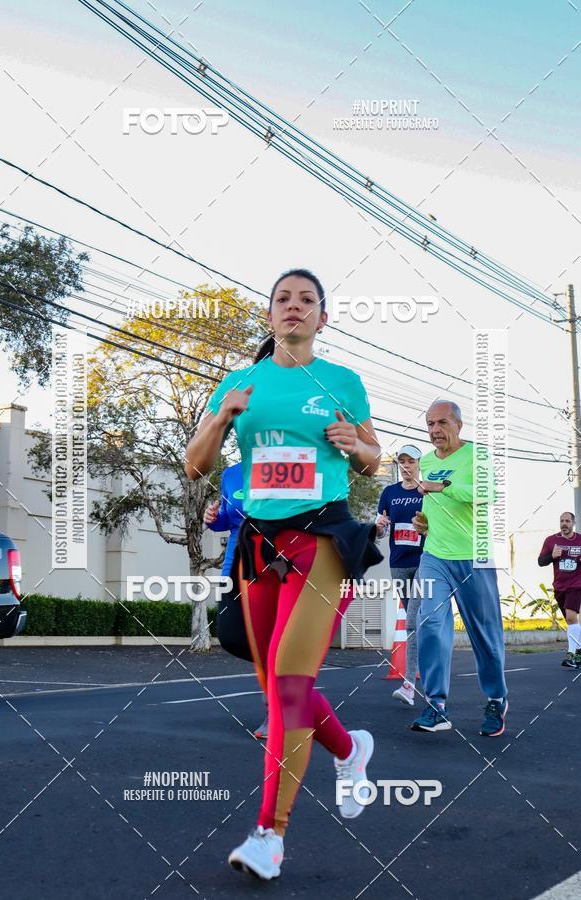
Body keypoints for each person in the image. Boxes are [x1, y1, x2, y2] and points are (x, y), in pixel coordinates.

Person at [185, 268, 382, 881]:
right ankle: (351, 750)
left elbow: (374, 458)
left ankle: (270, 835)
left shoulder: (342, 380)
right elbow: (195, 465)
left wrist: (357, 444)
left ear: (323, 318)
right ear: (269, 315)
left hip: (321, 537)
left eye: (306, 301)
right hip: (258, 547)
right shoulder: (240, 382)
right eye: (282, 299)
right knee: (277, 687)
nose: (293, 307)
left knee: (291, 688)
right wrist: (222, 419)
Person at [410, 400, 508, 737]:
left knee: (485, 635)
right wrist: (423, 522)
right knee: (431, 621)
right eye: (430, 424)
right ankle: (436, 704)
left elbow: (489, 492)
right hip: (434, 554)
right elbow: (430, 504)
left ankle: (496, 698)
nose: (435, 430)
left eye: (442, 423)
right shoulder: (424, 461)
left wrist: (443, 487)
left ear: (459, 426)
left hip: (474, 555)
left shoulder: (477, 456)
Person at [204, 463, 269, 738]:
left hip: (273, 563)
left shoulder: (282, 462)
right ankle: (290, 674)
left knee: (268, 638)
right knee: (231, 635)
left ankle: (275, 709)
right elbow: (228, 520)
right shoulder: (230, 474)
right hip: (235, 563)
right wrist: (213, 518)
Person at [376, 444, 424, 706]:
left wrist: (426, 529)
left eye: (411, 462)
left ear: (419, 464)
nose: (406, 466)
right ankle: (426, 667)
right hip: (398, 563)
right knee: (415, 622)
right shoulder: (389, 493)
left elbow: (435, 527)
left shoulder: (425, 491)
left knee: (412, 622)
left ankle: (409, 684)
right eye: (402, 462)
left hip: (423, 562)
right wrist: (380, 528)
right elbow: (381, 530)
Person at [538, 511, 581, 668]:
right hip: (560, 587)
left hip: (577, 585)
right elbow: (541, 562)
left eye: (567, 521)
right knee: (572, 623)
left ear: (573, 523)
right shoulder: (551, 541)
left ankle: (571, 655)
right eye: (562, 521)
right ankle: (579, 653)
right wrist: (552, 556)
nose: (564, 524)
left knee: (571, 618)